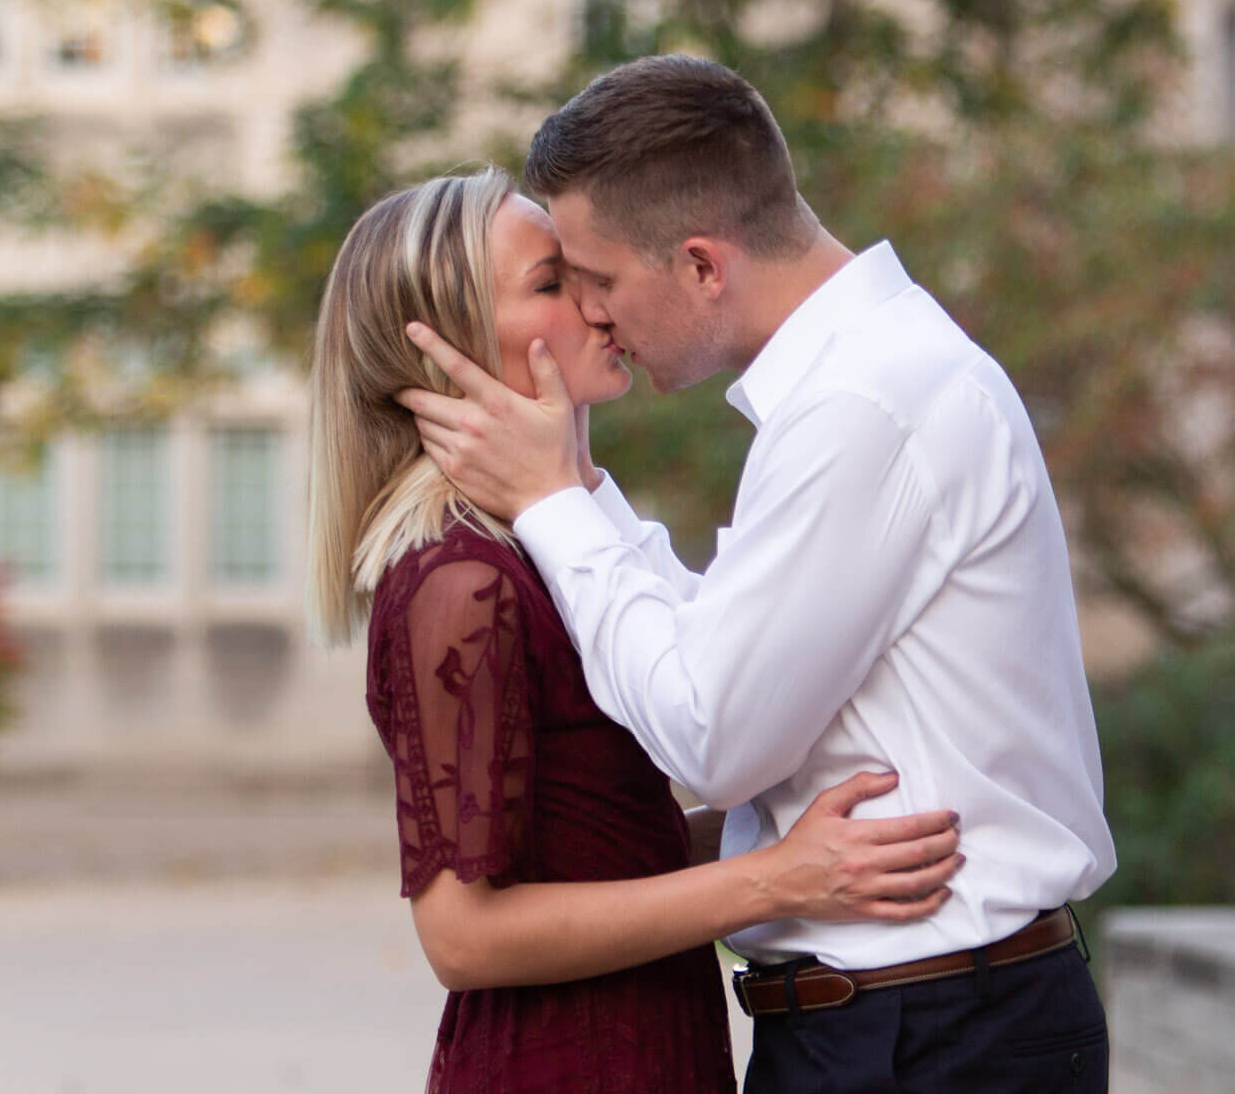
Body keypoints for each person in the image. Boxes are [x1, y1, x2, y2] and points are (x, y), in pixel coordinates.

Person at [399, 57, 1118, 1094]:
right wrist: (582, 490)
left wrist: (556, 501)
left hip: (930, 1032)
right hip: (912, 1020)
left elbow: (713, 730)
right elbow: (730, 657)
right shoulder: (863, 379)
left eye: (594, 277)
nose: (595, 316)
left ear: (699, 263)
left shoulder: (860, 405)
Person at [308, 164, 964, 1094]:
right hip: (566, 1063)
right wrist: (775, 878)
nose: (596, 304)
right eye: (549, 284)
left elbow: (591, 841)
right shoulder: (461, 580)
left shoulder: (543, 547)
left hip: (653, 1043)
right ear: (447, 348)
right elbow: (462, 933)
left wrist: (794, 830)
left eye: (583, 271)